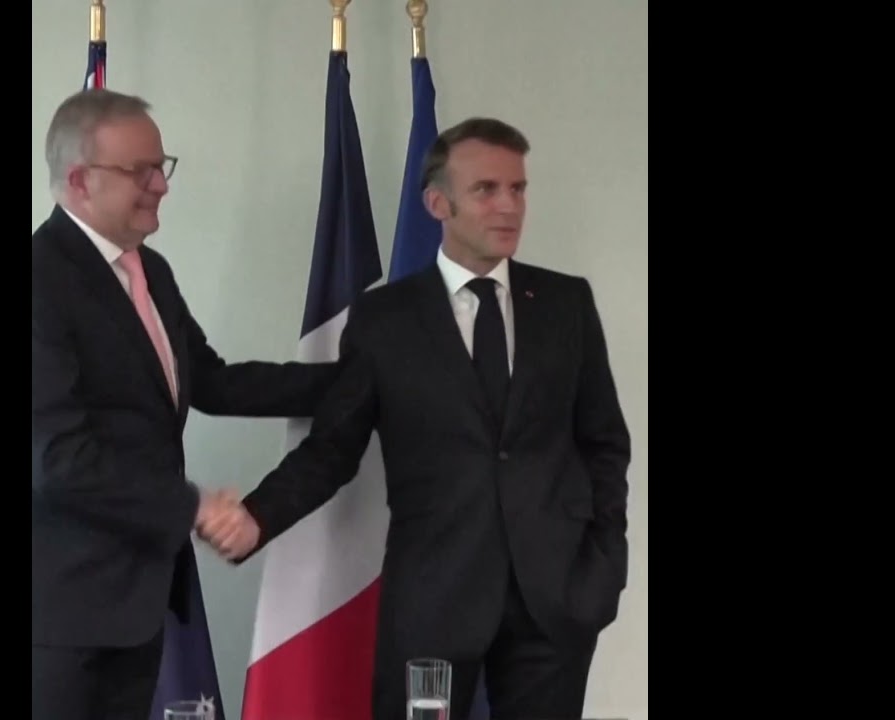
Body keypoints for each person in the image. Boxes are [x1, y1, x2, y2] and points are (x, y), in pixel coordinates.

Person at [200, 117, 631, 720]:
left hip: (556, 598)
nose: (509, 205)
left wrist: (604, 563)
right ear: (437, 203)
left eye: (518, 188)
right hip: (434, 595)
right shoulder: (385, 319)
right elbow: (333, 448)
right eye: (486, 189)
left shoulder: (566, 303)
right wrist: (256, 517)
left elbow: (604, 442)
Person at [32, 88, 339, 720]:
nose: (161, 185)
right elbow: (56, 459)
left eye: (162, 165)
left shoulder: (150, 271)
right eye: (141, 170)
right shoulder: (40, 279)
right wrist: (194, 505)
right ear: (81, 181)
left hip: (132, 606)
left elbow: (214, 383)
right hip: (58, 614)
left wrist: (359, 381)